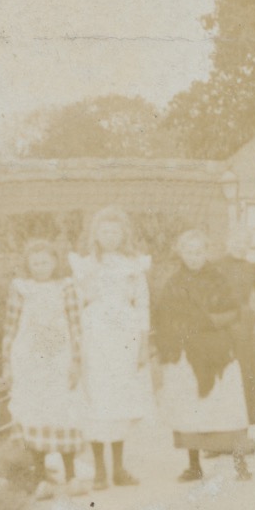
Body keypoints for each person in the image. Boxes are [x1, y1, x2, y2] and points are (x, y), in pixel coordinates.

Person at [153, 229, 253, 482]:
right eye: (189, 252)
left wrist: (210, 321)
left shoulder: (218, 278)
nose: (194, 257)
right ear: (181, 253)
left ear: (206, 253)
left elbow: (234, 310)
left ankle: (240, 464)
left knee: (227, 407)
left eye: (198, 252)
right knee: (191, 408)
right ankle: (194, 465)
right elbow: (162, 316)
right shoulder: (174, 282)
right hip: (186, 352)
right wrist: (170, 342)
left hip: (217, 350)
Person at [70, 206, 153, 490]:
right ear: (96, 235)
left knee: (119, 399)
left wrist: (143, 344)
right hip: (95, 334)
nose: (110, 237)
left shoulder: (134, 265)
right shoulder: (85, 265)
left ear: (124, 235)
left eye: (115, 232)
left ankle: (118, 468)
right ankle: (99, 470)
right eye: (105, 232)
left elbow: (143, 304)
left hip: (125, 336)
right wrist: (76, 344)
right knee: (96, 397)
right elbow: (76, 303)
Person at [1, 240, 88, 500]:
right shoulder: (21, 288)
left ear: (55, 263)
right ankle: (41, 479)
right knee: (34, 413)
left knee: (64, 411)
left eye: (45, 262)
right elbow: (10, 325)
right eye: (35, 263)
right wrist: (6, 362)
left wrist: (76, 360)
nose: (41, 268)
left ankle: (71, 476)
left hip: (59, 358)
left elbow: (75, 324)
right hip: (29, 360)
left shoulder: (66, 287)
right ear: (28, 265)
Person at [215, 226, 255, 438]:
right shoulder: (214, 267)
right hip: (220, 324)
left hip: (244, 327)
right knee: (220, 377)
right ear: (227, 241)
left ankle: (241, 436)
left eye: (244, 242)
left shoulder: (253, 269)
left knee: (245, 376)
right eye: (235, 240)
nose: (239, 246)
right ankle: (217, 435)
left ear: (249, 246)